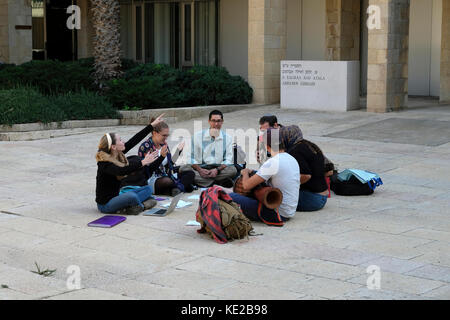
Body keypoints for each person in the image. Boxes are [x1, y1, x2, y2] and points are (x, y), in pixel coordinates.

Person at [95, 115, 165, 215]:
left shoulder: (117, 154)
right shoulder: (104, 163)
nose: (123, 142)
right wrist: (143, 162)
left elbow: (134, 140)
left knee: (148, 189)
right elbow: (121, 170)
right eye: (120, 140)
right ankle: (141, 206)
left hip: (117, 197)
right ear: (113, 147)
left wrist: (151, 126)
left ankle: (132, 206)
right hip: (106, 205)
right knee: (132, 196)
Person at [229, 128, 300, 225]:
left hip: (276, 212)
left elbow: (246, 186)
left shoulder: (273, 162)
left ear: (266, 146)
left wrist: (245, 172)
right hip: (289, 212)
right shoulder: (292, 159)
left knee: (229, 196)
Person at [137, 119, 195, 196]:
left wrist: (178, 152)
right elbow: (148, 171)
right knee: (167, 181)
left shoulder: (163, 145)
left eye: (167, 135)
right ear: (154, 133)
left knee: (190, 173)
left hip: (165, 174)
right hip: (152, 179)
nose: (166, 138)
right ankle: (180, 187)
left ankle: (176, 189)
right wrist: (161, 157)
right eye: (164, 135)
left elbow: (169, 165)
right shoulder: (145, 147)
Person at [180, 110, 237, 188]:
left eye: (218, 121)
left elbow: (228, 159)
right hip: (200, 168)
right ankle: (217, 182)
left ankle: (203, 182)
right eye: (213, 121)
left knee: (233, 170)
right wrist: (200, 170)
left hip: (218, 169)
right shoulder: (197, 136)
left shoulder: (228, 138)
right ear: (209, 121)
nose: (216, 124)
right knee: (183, 168)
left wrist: (217, 170)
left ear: (222, 122)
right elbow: (190, 157)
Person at [281, 125, 329, 212]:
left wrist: (286, 186)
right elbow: (329, 170)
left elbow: (305, 176)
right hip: (323, 196)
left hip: (313, 199)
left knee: (277, 198)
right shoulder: (310, 145)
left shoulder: (295, 151)